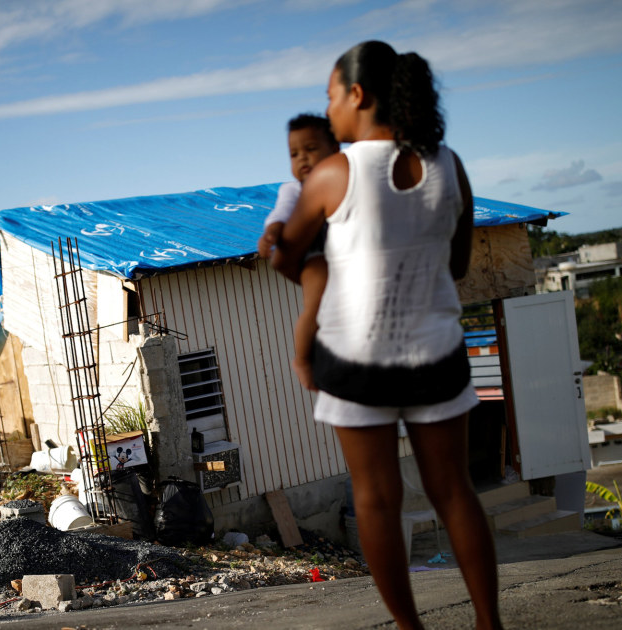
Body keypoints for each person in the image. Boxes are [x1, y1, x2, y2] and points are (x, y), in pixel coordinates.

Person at [271, 40, 501, 630]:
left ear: (358, 95)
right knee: (454, 492)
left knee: (376, 498)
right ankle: (488, 623)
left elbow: (287, 256)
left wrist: (313, 267)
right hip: (437, 354)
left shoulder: (333, 173)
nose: (329, 112)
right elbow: (456, 265)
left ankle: (409, 627)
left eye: (330, 97)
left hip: (355, 361)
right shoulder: (449, 164)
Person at [257, 113, 341, 390]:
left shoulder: (345, 181)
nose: (302, 158)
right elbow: (280, 213)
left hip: (344, 251)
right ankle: (303, 359)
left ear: (335, 150)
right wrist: (273, 232)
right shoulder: (294, 189)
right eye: (294, 153)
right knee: (315, 304)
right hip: (315, 253)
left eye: (311, 149)